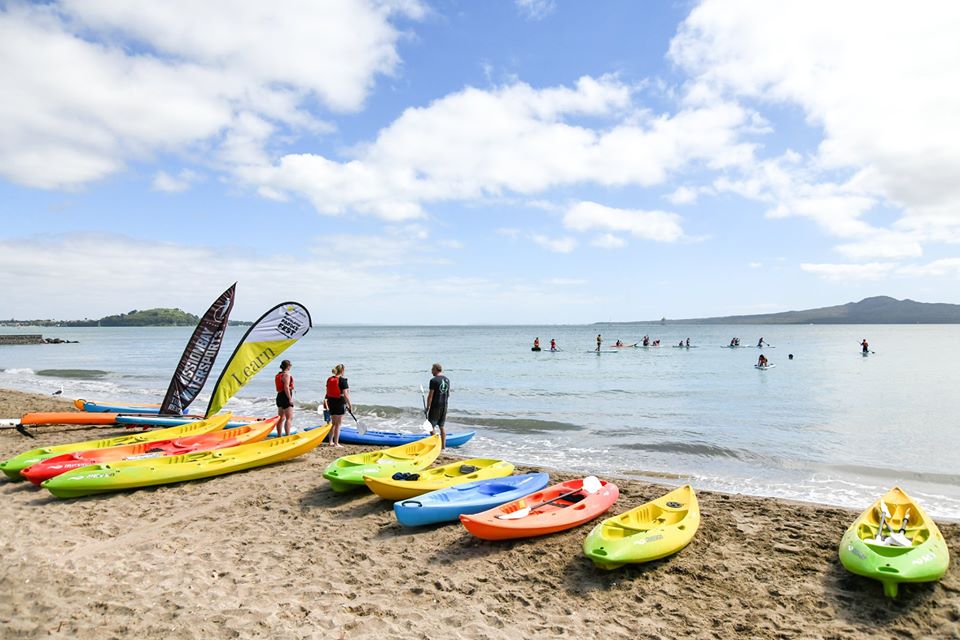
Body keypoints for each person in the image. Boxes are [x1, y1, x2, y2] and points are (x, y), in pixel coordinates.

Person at [325, 363, 351, 447]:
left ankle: (330, 442)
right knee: (338, 424)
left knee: (333, 423)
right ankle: (336, 443)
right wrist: (350, 405)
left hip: (331, 402)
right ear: (342, 371)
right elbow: (346, 395)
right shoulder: (343, 380)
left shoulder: (330, 379)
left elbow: (327, 392)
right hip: (339, 402)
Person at [426, 363, 450, 449]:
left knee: (430, 426)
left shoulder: (433, 380)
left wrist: (427, 407)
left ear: (436, 369)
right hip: (444, 405)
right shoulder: (447, 380)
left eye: (432, 369)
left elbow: (430, 396)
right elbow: (448, 394)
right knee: (442, 426)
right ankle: (443, 447)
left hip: (436, 406)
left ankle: (436, 445)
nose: (431, 371)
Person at [274, 360, 295, 437]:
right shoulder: (286, 375)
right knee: (289, 418)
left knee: (281, 418)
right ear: (288, 366)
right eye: (290, 365)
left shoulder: (278, 375)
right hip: (285, 397)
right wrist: (290, 399)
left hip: (279, 396)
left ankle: (279, 435)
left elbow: (280, 387)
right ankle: (287, 435)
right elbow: (286, 387)